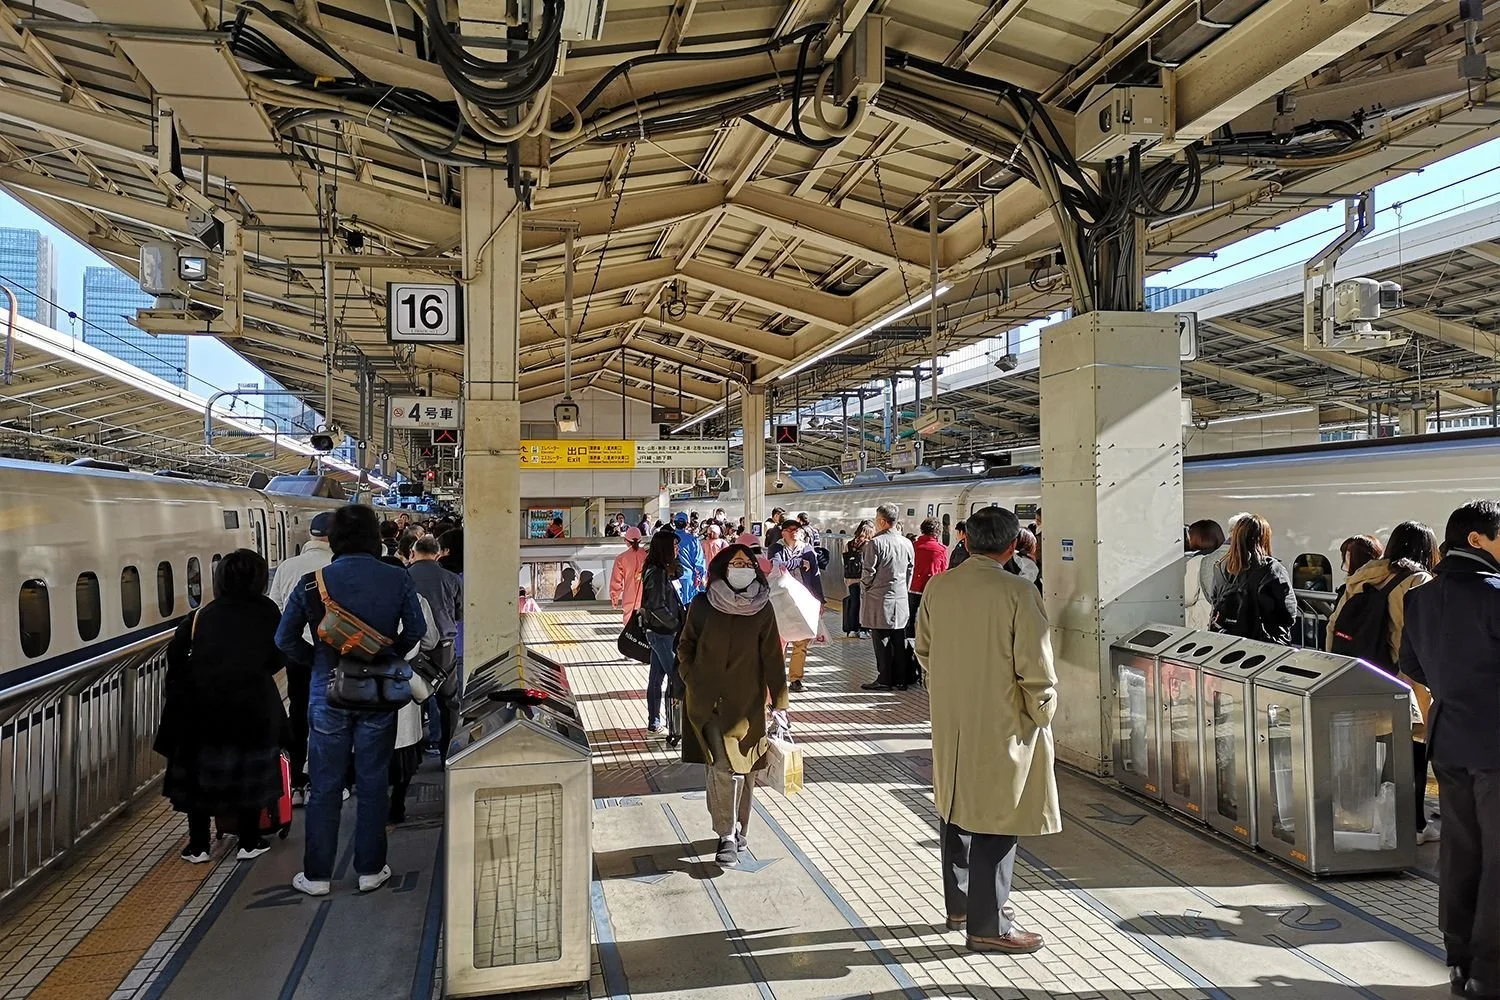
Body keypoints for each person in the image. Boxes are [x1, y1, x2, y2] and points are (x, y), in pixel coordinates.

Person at [915, 506, 1057, 955]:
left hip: (951, 718)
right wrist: (1043, 712)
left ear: (967, 542)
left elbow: (924, 651)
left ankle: (959, 907)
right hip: (1002, 720)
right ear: (1012, 546)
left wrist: (950, 688)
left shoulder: (939, 587)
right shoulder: (1018, 591)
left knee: (955, 806)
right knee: (998, 816)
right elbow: (1035, 666)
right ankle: (988, 925)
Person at [276, 504, 426, 897]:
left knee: (325, 784)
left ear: (334, 540)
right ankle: (370, 870)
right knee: (373, 779)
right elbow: (417, 629)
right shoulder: (396, 578)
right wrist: (385, 656)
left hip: (327, 694)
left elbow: (283, 639)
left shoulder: (313, 583)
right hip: (378, 692)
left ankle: (318, 876)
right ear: (376, 540)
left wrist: (319, 663)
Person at [1400, 501, 1500, 1000]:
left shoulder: (1423, 598)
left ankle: (1459, 959)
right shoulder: (1495, 596)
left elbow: (1412, 665)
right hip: (1495, 744)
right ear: (1479, 539)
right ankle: (1490, 970)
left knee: (1461, 851)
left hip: (1449, 739)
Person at [156, 549, 287, 863]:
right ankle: (248, 840)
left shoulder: (203, 615)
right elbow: (277, 656)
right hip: (251, 707)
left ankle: (198, 846)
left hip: (201, 709)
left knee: (199, 776)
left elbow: (175, 656)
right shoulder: (267, 611)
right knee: (249, 773)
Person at [677, 544, 789, 866]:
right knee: (722, 766)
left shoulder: (763, 609)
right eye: (735, 562)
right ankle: (725, 834)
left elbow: (772, 657)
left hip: (746, 704)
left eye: (747, 562)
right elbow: (686, 645)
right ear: (723, 567)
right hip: (707, 702)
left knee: (748, 768)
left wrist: (779, 703)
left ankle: (741, 827)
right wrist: (691, 677)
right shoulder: (702, 605)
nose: (741, 566)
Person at [1327, 520, 1439, 841]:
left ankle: (1374, 820)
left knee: (1375, 754)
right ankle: (1413, 826)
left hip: (1364, 675)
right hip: (1404, 680)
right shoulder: (1418, 581)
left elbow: (1334, 627)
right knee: (1412, 753)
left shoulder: (1363, 577)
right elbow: (1416, 637)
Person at [268, 510, 334, 804]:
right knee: (330, 713)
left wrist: (296, 649)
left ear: (311, 536)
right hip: (332, 654)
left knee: (298, 712)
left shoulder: (287, 567)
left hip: (296, 654)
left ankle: (294, 780)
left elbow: (276, 609)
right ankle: (325, 779)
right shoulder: (336, 565)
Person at [407, 535, 463, 757]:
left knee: (413, 699)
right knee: (448, 701)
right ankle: (448, 752)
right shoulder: (450, 578)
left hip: (411, 648)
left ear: (414, 552)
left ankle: (414, 752)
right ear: (438, 553)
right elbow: (459, 612)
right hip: (443, 648)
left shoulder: (403, 577)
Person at [1210, 514, 1298, 644]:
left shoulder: (1220, 566)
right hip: (1264, 642)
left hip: (1227, 640)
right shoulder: (1272, 569)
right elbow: (1288, 614)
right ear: (1264, 538)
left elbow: (1214, 598)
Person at [860, 503, 916, 691]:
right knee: (899, 638)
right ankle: (901, 679)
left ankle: (884, 679)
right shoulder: (907, 543)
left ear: (883, 521)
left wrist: (866, 587)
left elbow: (868, 571)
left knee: (881, 639)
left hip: (879, 598)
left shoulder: (875, 543)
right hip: (900, 598)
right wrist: (903, 589)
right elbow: (910, 570)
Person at [769, 519, 824, 693]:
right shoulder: (776, 548)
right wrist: (800, 562)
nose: (794, 532)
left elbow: (815, 576)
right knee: (781, 641)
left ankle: (796, 678)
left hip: (803, 599)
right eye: (790, 529)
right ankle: (778, 677)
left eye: (797, 529)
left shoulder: (808, 549)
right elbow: (778, 566)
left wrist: (820, 600)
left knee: (802, 641)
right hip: (781, 599)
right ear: (783, 532)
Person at [640, 529, 685, 738]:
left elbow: (679, 573)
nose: (678, 549)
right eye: (674, 546)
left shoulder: (660, 569)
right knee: (676, 676)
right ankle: (675, 724)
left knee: (657, 678)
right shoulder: (656, 572)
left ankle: (655, 723)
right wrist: (675, 623)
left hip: (660, 632)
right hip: (662, 633)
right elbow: (656, 605)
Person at [909, 518, 950, 640]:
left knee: (911, 617)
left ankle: (910, 641)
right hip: (932, 589)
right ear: (937, 531)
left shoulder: (913, 546)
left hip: (913, 587)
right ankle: (928, 639)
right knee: (930, 617)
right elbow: (944, 570)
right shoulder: (941, 549)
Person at [1183, 519, 1227, 630]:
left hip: (1200, 621)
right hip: (1221, 619)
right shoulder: (1226, 558)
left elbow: (1187, 597)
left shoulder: (1197, 561)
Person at [842, 520, 874, 637]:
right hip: (864, 579)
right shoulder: (868, 545)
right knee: (864, 605)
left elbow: (845, 563)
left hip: (851, 579)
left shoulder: (848, 544)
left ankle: (852, 628)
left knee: (854, 603)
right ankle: (863, 629)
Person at [610, 527, 648, 623]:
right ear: (640, 540)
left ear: (626, 541)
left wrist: (615, 598)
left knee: (629, 627)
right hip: (646, 597)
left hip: (629, 597)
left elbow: (616, 580)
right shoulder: (647, 556)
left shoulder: (621, 558)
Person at [673, 512, 707, 603]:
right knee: (688, 607)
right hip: (689, 578)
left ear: (674, 522)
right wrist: (700, 576)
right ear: (687, 523)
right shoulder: (693, 540)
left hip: (672, 578)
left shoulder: (668, 538)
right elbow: (699, 562)